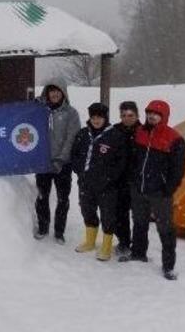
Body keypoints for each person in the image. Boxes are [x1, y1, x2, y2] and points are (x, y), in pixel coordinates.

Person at [119, 100, 185, 281]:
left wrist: (168, 188)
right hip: (139, 188)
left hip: (160, 193)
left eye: (156, 114)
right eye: (149, 112)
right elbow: (134, 159)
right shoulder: (140, 132)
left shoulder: (175, 139)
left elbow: (178, 169)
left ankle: (168, 266)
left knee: (165, 228)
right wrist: (134, 180)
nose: (151, 116)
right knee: (139, 222)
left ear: (164, 116)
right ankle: (138, 253)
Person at [70, 103, 127, 261]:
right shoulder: (82, 134)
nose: (96, 120)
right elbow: (74, 154)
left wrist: (110, 177)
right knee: (87, 210)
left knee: (108, 215)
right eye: (93, 117)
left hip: (106, 186)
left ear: (105, 118)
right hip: (85, 183)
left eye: (99, 117)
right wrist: (79, 170)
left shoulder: (114, 135)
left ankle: (106, 246)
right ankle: (90, 241)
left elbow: (121, 161)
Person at [33, 83, 81, 243]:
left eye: (57, 91)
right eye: (51, 91)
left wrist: (61, 159)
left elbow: (71, 138)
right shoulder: (39, 111)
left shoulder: (71, 113)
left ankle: (59, 231)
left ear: (63, 93)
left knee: (62, 199)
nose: (54, 94)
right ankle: (43, 227)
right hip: (42, 162)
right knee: (42, 196)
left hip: (63, 164)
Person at [115, 101, 141, 257]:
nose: (127, 118)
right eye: (123, 115)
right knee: (120, 214)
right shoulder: (115, 131)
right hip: (120, 180)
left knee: (139, 216)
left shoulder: (144, 131)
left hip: (139, 181)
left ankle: (139, 246)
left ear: (137, 115)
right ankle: (124, 242)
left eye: (130, 115)